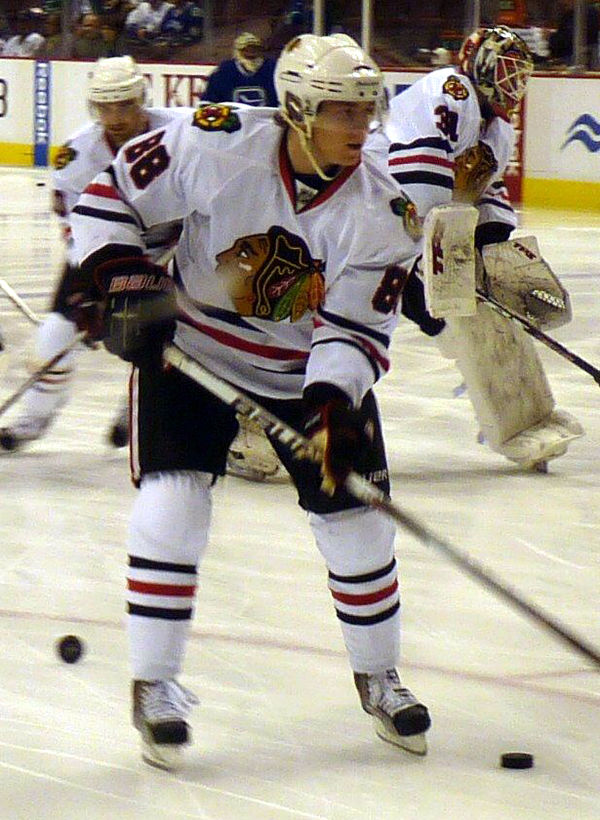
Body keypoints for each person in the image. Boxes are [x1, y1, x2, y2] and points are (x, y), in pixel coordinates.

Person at [70, 32, 432, 771]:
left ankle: (379, 677)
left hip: (304, 369)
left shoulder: (383, 211)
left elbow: (356, 325)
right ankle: (157, 686)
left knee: (358, 525)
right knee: (172, 506)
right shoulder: (215, 143)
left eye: (367, 111)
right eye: (341, 112)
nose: (360, 127)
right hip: (193, 348)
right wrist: (122, 277)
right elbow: (110, 199)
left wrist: (333, 404)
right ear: (297, 109)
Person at [384, 25, 583, 469]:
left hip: (414, 215)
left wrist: (494, 258)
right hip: (381, 204)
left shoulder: (498, 130)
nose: (516, 87)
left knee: (470, 313)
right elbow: (422, 179)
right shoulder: (452, 90)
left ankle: (508, 410)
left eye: (522, 77)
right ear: (482, 67)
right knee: (414, 296)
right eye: (509, 73)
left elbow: (486, 197)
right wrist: (443, 249)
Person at [0, 56, 186, 452]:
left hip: (178, 252)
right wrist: (96, 288)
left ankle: (137, 411)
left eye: (125, 105)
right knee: (53, 334)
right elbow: (77, 230)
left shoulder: (181, 133)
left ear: (142, 99)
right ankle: (33, 419)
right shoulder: (78, 156)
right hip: (101, 254)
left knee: (162, 340)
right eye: (106, 106)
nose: (115, 117)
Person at [202, 32, 278, 108]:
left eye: (255, 50)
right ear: (237, 52)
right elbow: (210, 100)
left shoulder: (271, 69)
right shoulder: (224, 71)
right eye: (246, 50)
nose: (251, 54)